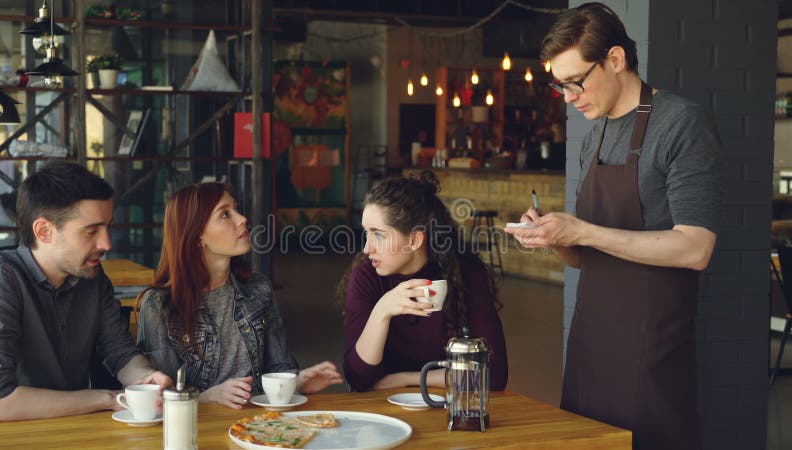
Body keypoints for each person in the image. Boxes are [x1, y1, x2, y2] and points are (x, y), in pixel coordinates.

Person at [504, 4, 722, 450]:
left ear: (616, 60)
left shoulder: (682, 123)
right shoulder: (595, 135)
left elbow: (695, 249)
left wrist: (581, 230)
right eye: (558, 85)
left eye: (575, 82)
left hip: (651, 347)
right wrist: (553, 236)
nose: (567, 96)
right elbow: (584, 256)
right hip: (591, 343)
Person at [137, 182, 343, 409]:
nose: (242, 218)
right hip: (198, 429)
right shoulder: (159, 306)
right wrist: (211, 396)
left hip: (260, 424)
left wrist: (299, 382)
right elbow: (161, 399)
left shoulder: (259, 290)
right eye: (225, 214)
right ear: (197, 236)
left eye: (236, 209)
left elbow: (279, 370)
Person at [0, 161, 172, 421]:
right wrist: (107, 399)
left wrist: (145, 378)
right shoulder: (5, 280)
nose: (106, 243)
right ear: (44, 231)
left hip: (78, 428)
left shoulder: (92, 277)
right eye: (91, 231)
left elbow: (118, 350)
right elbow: (3, 401)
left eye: (108, 227)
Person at [340, 170, 508, 392]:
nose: (366, 247)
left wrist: (408, 379)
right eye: (367, 233)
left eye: (378, 234)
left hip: (445, 409)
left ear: (415, 239)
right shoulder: (367, 276)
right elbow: (357, 379)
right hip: (384, 413)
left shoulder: (465, 274)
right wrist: (382, 311)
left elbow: (493, 375)